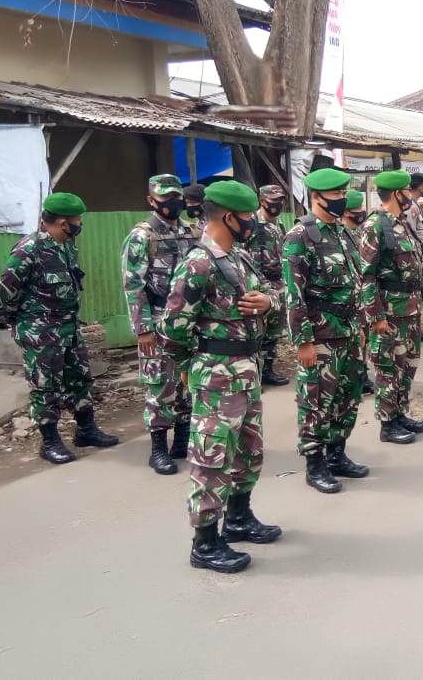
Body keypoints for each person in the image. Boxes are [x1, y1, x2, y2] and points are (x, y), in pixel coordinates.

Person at [159, 180, 281, 574]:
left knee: (248, 451)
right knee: (211, 458)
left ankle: (240, 518)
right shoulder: (198, 264)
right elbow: (173, 327)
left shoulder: (239, 258)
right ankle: (206, 543)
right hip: (215, 376)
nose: (253, 224)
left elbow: (270, 294)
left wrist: (267, 303)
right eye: (247, 217)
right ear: (229, 217)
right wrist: (187, 372)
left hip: (247, 371)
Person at [0, 192, 119, 465]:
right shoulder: (28, 250)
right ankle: (49, 441)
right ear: (63, 222)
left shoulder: (67, 246)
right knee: (45, 387)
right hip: (41, 333)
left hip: (69, 328)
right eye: (77, 220)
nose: (79, 224)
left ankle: (86, 430)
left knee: (80, 379)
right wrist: (16, 323)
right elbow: (5, 291)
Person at [283, 169, 368, 494]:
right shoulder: (300, 237)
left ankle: (337, 454)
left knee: (347, 398)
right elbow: (294, 294)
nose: (342, 200)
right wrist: (302, 341)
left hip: (348, 331)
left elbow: (355, 284)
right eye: (335, 195)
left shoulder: (344, 233)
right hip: (319, 337)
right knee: (316, 401)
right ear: (316, 197)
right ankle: (315, 464)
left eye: (344, 193)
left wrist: (359, 324)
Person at [121, 173, 199, 475]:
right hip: (156, 321)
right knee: (160, 386)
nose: (173, 203)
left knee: (185, 384)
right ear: (151, 200)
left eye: (176, 197)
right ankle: (158, 449)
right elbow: (133, 285)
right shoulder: (142, 236)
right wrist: (143, 328)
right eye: (165, 198)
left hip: (186, 324)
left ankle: (182, 440)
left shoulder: (190, 231)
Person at [360, 170, 423, 444]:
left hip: (409, 309)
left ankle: (399, 413)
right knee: (388, 368)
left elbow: (410, 264)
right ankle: (387, 424)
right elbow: (366, 275)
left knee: (408, 365)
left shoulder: (402, 222)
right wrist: (376, 316)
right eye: (407, 191)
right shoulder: (375, 226)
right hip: (389, 312)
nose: (411, 195)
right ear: (397, 194)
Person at [247, 184, 290, 387]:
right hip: (258, 285)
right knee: (257, 331)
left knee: (274, 332)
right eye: (274, 201)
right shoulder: (253, 224)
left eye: (280, 200)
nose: (278, 204)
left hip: (278, 284)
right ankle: (253, 374)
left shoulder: (279, 226)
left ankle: (267, 370)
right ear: (262, 201)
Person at [341, 189, 375, 397]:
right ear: (346, 212)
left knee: (365, 337)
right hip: (352, 298)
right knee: (357, 338)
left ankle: (362, 371)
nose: (362, 212)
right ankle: (357, 375)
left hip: (364, 295)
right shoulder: (342, 236)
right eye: (357, 209)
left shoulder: (359, 233)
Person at [403, 172, 423, 343]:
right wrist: (420, 258)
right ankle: (414, 330)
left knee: (419, 294)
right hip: (415, 255)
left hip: (419, 253)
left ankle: (416, 328)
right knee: (417, 294)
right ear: (419, 187)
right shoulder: (410, 207)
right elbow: (410, 233)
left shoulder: (415, 205)